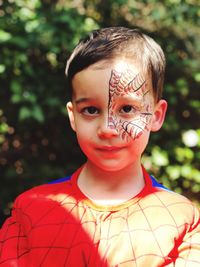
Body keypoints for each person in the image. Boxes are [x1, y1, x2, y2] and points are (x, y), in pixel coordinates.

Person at [0, 27, 199, 267]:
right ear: (73, 116)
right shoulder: (31, 211)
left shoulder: (181, 219)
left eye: (127, 109)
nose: (107, 128)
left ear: (156, 116)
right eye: (91, 110)